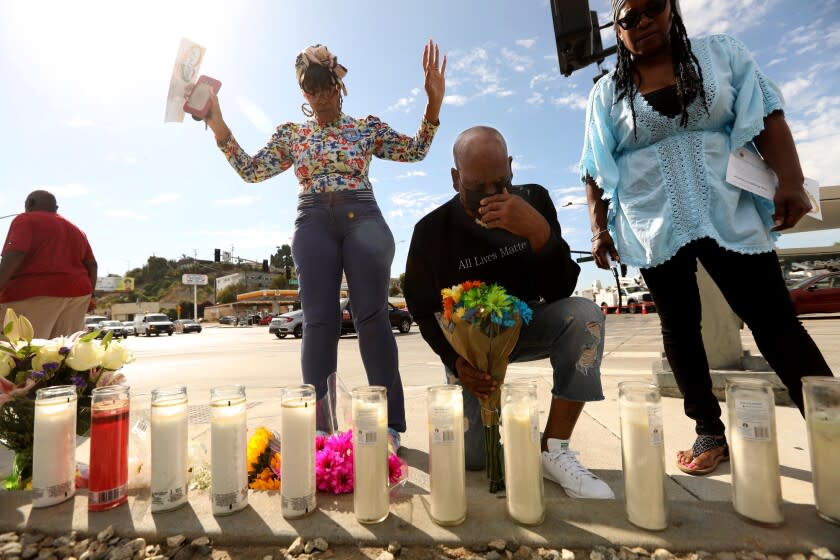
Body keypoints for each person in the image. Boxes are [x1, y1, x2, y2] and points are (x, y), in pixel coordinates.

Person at [581, 0, 834, 475]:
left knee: (774, 320)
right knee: (679, 326)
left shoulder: (721, 54)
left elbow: (767, 114)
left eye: (651, 8)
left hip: (728, 208)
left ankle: (831, 424)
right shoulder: (605, 93)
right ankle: (708, 431)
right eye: (627, 19)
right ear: (617, 32)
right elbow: (594, 166)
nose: (643, 23)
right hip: (651, 220)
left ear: (671, 9)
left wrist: (791, 179)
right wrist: (599, 230)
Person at [195, 42, 446, 449]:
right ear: (303, 94)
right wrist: (218, 123)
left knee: (372, 317)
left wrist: (433, 104)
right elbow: (251, 170)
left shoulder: (366, 128)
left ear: (340, 85)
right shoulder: (291, 136)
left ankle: (389, 426)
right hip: (312, 221)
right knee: (317, 321)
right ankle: (321, 428)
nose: (322, 96)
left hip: (363, 217)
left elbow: (415, 150)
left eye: (328, 86)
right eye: (312, 89)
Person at [405, 126, 615, 499]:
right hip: (468, 350)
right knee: (474, 459)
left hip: (526, 324)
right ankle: (510, 435)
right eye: (476, 187)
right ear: (456, 180)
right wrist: (457, 364)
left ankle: (554, 448)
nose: (490, 197)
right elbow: (422, 311)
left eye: (500, 184)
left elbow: (560, 291)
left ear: (512, 169)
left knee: (586, 318)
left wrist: (540, 235)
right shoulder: (431, 232)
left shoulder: (533, 201)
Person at [0, 190, 97, 339]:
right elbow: (92, 264)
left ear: (30, 203)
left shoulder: (25, 219)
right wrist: (91, 296)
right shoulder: (76, 229)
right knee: (63, 351)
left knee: (20, 351)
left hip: (33, 293)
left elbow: (15, 254)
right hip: (78, 295)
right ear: (56, 208)